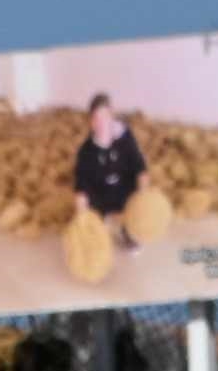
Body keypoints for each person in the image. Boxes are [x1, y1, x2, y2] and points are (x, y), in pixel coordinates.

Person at [66, 91, 166, 282]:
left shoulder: (125, 138)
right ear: (91, 122)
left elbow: (139, 166)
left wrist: (143, 196)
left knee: (137, 215)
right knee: (93, 225)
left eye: (105, 117)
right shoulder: (86, 151)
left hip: (124, 192)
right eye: (96, 118)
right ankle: (103, 226)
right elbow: (81, 184)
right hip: (100, 195)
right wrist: (82, 215)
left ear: (112, 116)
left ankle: (128, 231)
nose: (102, 123)